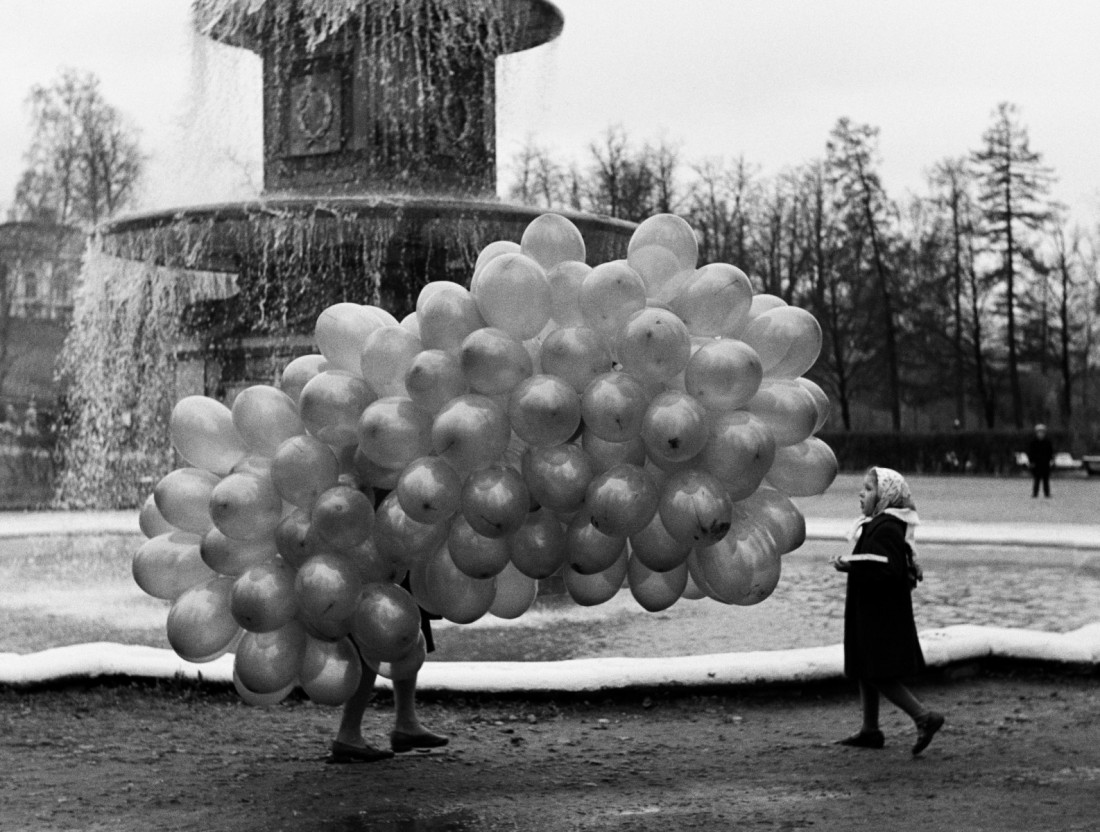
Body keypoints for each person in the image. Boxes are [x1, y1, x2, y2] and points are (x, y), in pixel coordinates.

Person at [829, 466, 945, 756]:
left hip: (880, 614)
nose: (861, 493)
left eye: (868, 489)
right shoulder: (878, 523)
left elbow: (887, 570)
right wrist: (853, 564)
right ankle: (870, 730)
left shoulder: (887, 527)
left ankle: (923, 717)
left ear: (887, 496)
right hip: (870, 610)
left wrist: (851, 565)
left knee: (877, 671)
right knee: (863, 667)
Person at [329, 487, 449, 764]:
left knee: (408, 625)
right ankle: (348, 733)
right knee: (374, 627)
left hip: (404, 524)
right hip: (376, 533)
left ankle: (406, 723)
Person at [1027, 424, 1054, 498]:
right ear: (1036, 433)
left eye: (1042, 432)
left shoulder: (1047, 442)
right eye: (1039, 432)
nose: (1040, 434)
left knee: (1046, 480)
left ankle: (1047, 493)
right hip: (1036, 464)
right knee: (1036, 479)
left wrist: (1051, 460)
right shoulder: (1033, 442)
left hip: (1045, 463)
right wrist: (1031, 461)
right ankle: (1035, 493)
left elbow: (1050, 452)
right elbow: (1030, 453)